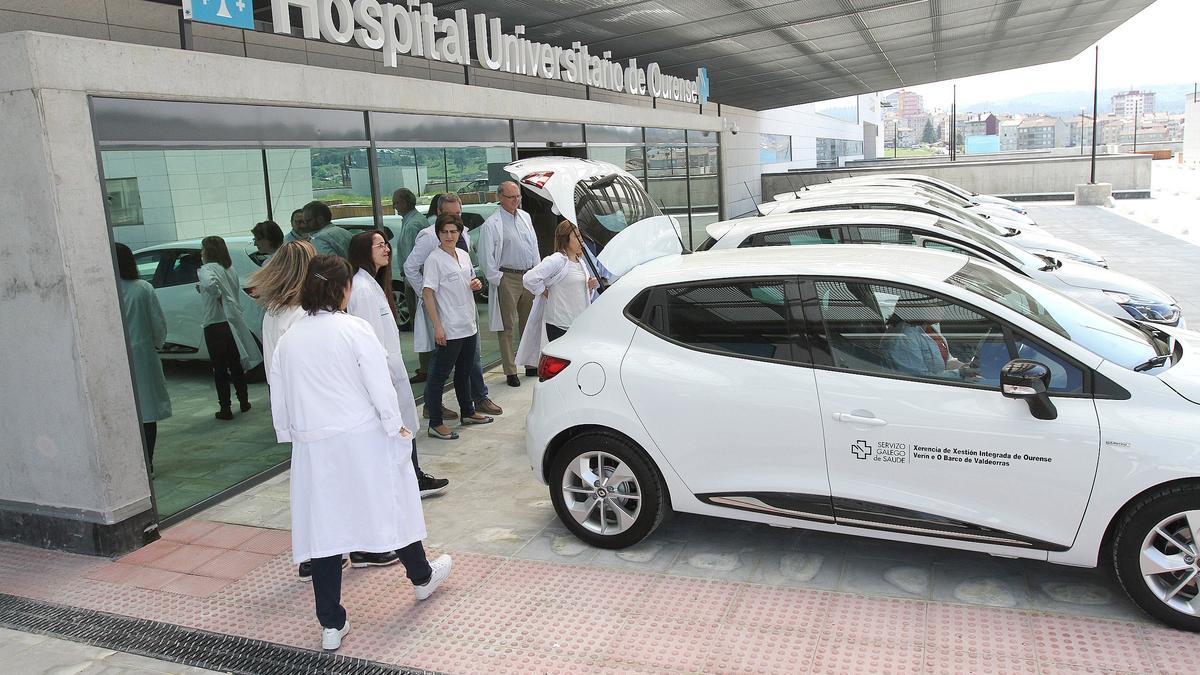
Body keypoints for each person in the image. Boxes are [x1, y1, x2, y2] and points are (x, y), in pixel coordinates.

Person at [269, 254, 452, 652]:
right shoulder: (355, 329)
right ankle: (421, 577)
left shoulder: (289, 340)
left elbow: (279, 398)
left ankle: (331, 624)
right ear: (341, 289)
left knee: (325, 530)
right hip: (362, 436)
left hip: (315, 446)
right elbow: (378, 384)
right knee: (391, 504)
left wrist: (291, 434)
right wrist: (395, 425)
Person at [347, 230, 449, 497]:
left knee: (404, 427)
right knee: (398, 429)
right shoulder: (362, 290)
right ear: (363, 252)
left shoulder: (373, 285)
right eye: (379, 245)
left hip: (391, 370)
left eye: (386, 244)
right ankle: (410, 480)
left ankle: (414, 477)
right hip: (384, 374)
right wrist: (383, 378)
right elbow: (369, 342)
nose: (386, 249)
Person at [404, 194, 503, 418]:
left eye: (458, 215)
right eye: (450, 216)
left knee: (469, 363)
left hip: (466, 316)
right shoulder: (429, 240)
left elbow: (466, 274)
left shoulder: (462, 239)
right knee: (442, 368)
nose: (452, 230)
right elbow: (411, 268)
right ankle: (435, 410)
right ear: (439, 215)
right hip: (446, 318)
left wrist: (474, 283)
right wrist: (428, 295)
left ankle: (473, 403)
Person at [422, 214, 495, 440]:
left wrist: (476, 284)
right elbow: (428, 293)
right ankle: (435, 422)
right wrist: (437, 327)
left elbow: (471, 280)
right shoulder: (434, 260)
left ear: (459, 233)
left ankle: (468, 411)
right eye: (444, 232)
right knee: (439, 376)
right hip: (450, 327)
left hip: (468, 324)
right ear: (438, 234)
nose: (449, 236)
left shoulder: (463, 255)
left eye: (453, 231)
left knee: (464, 372)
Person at [114, 243, 171, 475]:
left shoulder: (105, 288)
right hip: (143, 355)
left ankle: (129, 464)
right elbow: (158, 323)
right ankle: (147, 462)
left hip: (116, 357)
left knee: (123, 410)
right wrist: (157, 344)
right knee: (147, 412)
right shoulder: (142, 288)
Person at [478, 181, 539, 387]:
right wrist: (498, 279)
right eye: (511, 197)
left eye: (518, 196)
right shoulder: (492, 224)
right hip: (508, 277)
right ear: (500, 198)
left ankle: (530, 363)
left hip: (528, 275)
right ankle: (510, 370)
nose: (516, 201)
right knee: (507, 326)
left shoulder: (525, 217)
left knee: (529, 322)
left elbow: (534, 246)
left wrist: (537, 272)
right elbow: (486, 257)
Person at [515, 221, 599, 369]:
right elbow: (529, 278)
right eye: (576, 236)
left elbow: (575, 291)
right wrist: (543, 291)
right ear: (565, 239)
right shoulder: (557, 259)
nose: (581, 241)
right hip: (561, 324)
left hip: (577, 323)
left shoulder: (580, 262)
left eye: (581, 236)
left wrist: (589, 287)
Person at [197, 236, 262, 420]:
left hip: (215, 323)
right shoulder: (230, 269)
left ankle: (225, 408)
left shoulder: (207, 269)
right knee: (236, 365)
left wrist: (216, 294)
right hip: (232, 323)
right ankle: (244, 401)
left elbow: (211, 285)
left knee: (219, 369)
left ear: (207, 251)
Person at [393, 188, 424, 332]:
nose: (394, 206)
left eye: (396, 202)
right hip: (414, 279)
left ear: (405, 203)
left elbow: (414, 259)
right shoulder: (411, 221)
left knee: (419, 323)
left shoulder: (412, 225)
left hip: (415, 280)